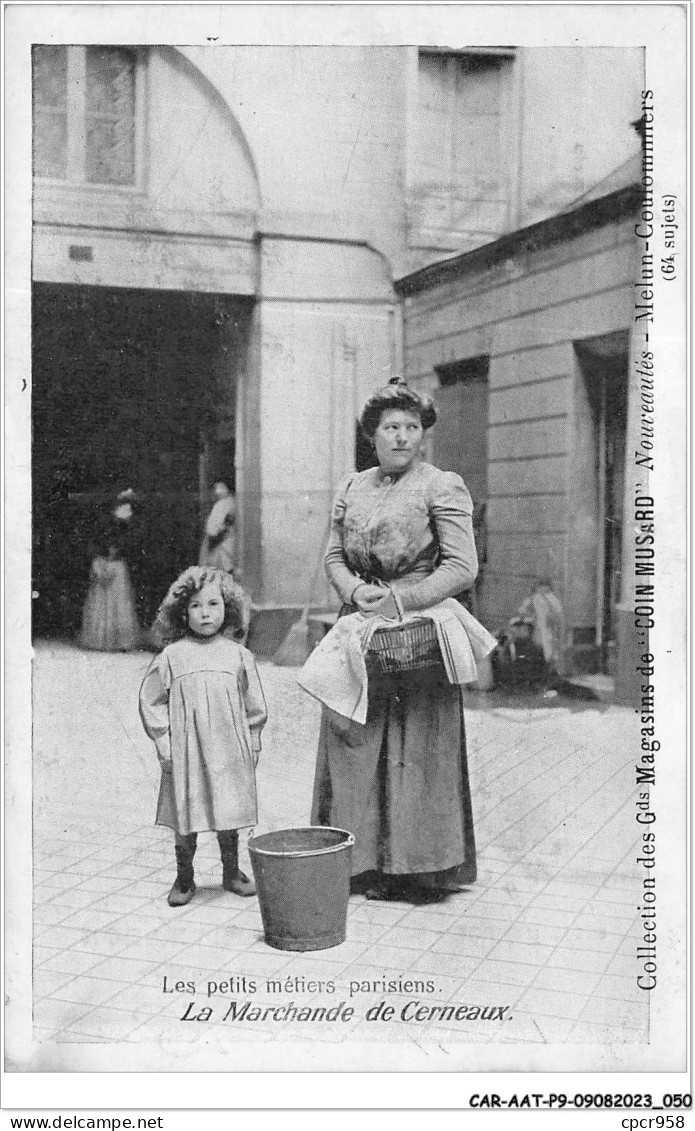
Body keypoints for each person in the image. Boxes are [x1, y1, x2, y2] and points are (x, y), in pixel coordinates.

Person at [311, 376, 480, 903]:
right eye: (391, 427)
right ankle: (357, 860)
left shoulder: (441, 484)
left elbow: (462, 566)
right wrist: (354, 590)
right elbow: (334, 555)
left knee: (414, 743)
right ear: (372, 434)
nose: (402, 437)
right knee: (352, 732)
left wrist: (403, 602)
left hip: (418, 632)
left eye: (411, 427)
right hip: (360, 625)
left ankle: (415, 869)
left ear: (422, 434)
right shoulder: (352, 487)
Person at [139, 567, 267, 906]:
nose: (205, 612)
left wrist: (253, 737)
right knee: (187, 808)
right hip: (187, 748)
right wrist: (164, 742)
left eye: (213, 603)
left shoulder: (238, 654)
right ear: (182, 612)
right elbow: (151, 701)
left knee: (230, 807)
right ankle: (184, 876)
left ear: (228, 608)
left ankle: (231, 870)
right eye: (196, 606)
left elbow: (254, 702)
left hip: (228, 747)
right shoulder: (172, 656)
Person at [78, 537, 142, 652]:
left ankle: (118, 643)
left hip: (115, 595)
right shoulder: (97, 561)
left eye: (115, 548)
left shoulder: (120, 564)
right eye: (110, 547)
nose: (112, 550)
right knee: (99, 614)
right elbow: (96, 576)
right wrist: (102, 576)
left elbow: (122, 582)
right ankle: (98, 642)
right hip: (101, 594)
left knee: (116, 613)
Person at [199, 482, 236, 574]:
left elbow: (212, 531)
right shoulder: (235, 502)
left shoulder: (222, 504)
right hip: (231, 550)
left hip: (221, 551)